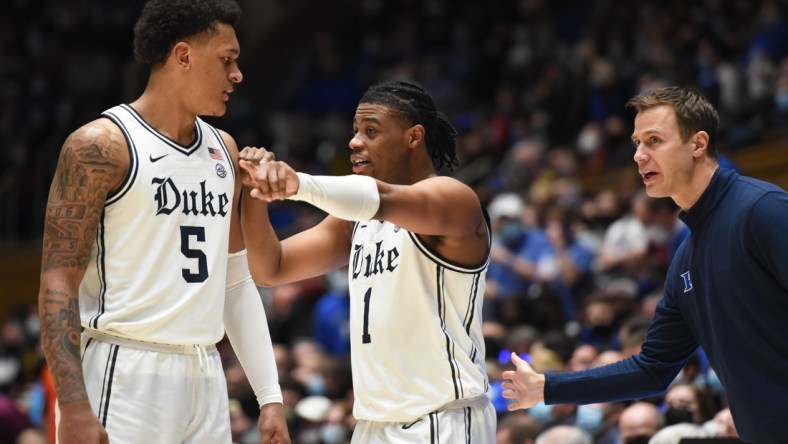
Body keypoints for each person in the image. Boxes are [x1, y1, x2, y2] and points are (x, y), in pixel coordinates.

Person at [36, 1, 290, 443]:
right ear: (184, 56)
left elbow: (233, 280)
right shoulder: (100, 146)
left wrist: (269, 397)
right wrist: (73, 403)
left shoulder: (224, 149)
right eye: (227, 60)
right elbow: (59, 279)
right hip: (126, 369)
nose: (238, 75)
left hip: (206, 371)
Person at [501, 86, 788, 444]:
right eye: (637, 142)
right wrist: (546, 388)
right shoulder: (685, 255)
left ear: (698, 144)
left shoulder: (763, 210)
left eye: (654, 140)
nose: (638, 155)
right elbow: (651, 368)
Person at [239, 79, 497, 442]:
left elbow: (379, 198)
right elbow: (271, 268)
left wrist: (296, 183)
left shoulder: (453, 199)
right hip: (372, 424)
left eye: (371, 131)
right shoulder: (354, 220)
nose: (354, 141)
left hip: (440, 420)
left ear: (414, 136)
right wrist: (254, 190)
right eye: (355, 130)